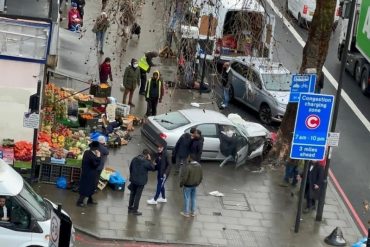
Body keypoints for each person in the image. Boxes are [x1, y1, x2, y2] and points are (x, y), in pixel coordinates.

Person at [128, 149, 156, 215]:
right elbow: (153, 168)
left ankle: (130, 207)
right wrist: (150, 160)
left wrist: (132, 176)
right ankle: (135, 210)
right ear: (148, 155)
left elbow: (130, 168)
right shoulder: (146, 162)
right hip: (141, 182)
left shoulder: (134, 159)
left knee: (132, 193)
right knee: (138, 195)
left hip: (133, 179)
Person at [77, 141, 101, 207]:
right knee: (86, 188)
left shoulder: (87, 152)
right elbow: (95, 164)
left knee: (91, 187)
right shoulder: (90, 155)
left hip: (89, 173)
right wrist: (98, 157)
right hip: (88, 174)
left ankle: (90, 200)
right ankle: (79, 202)